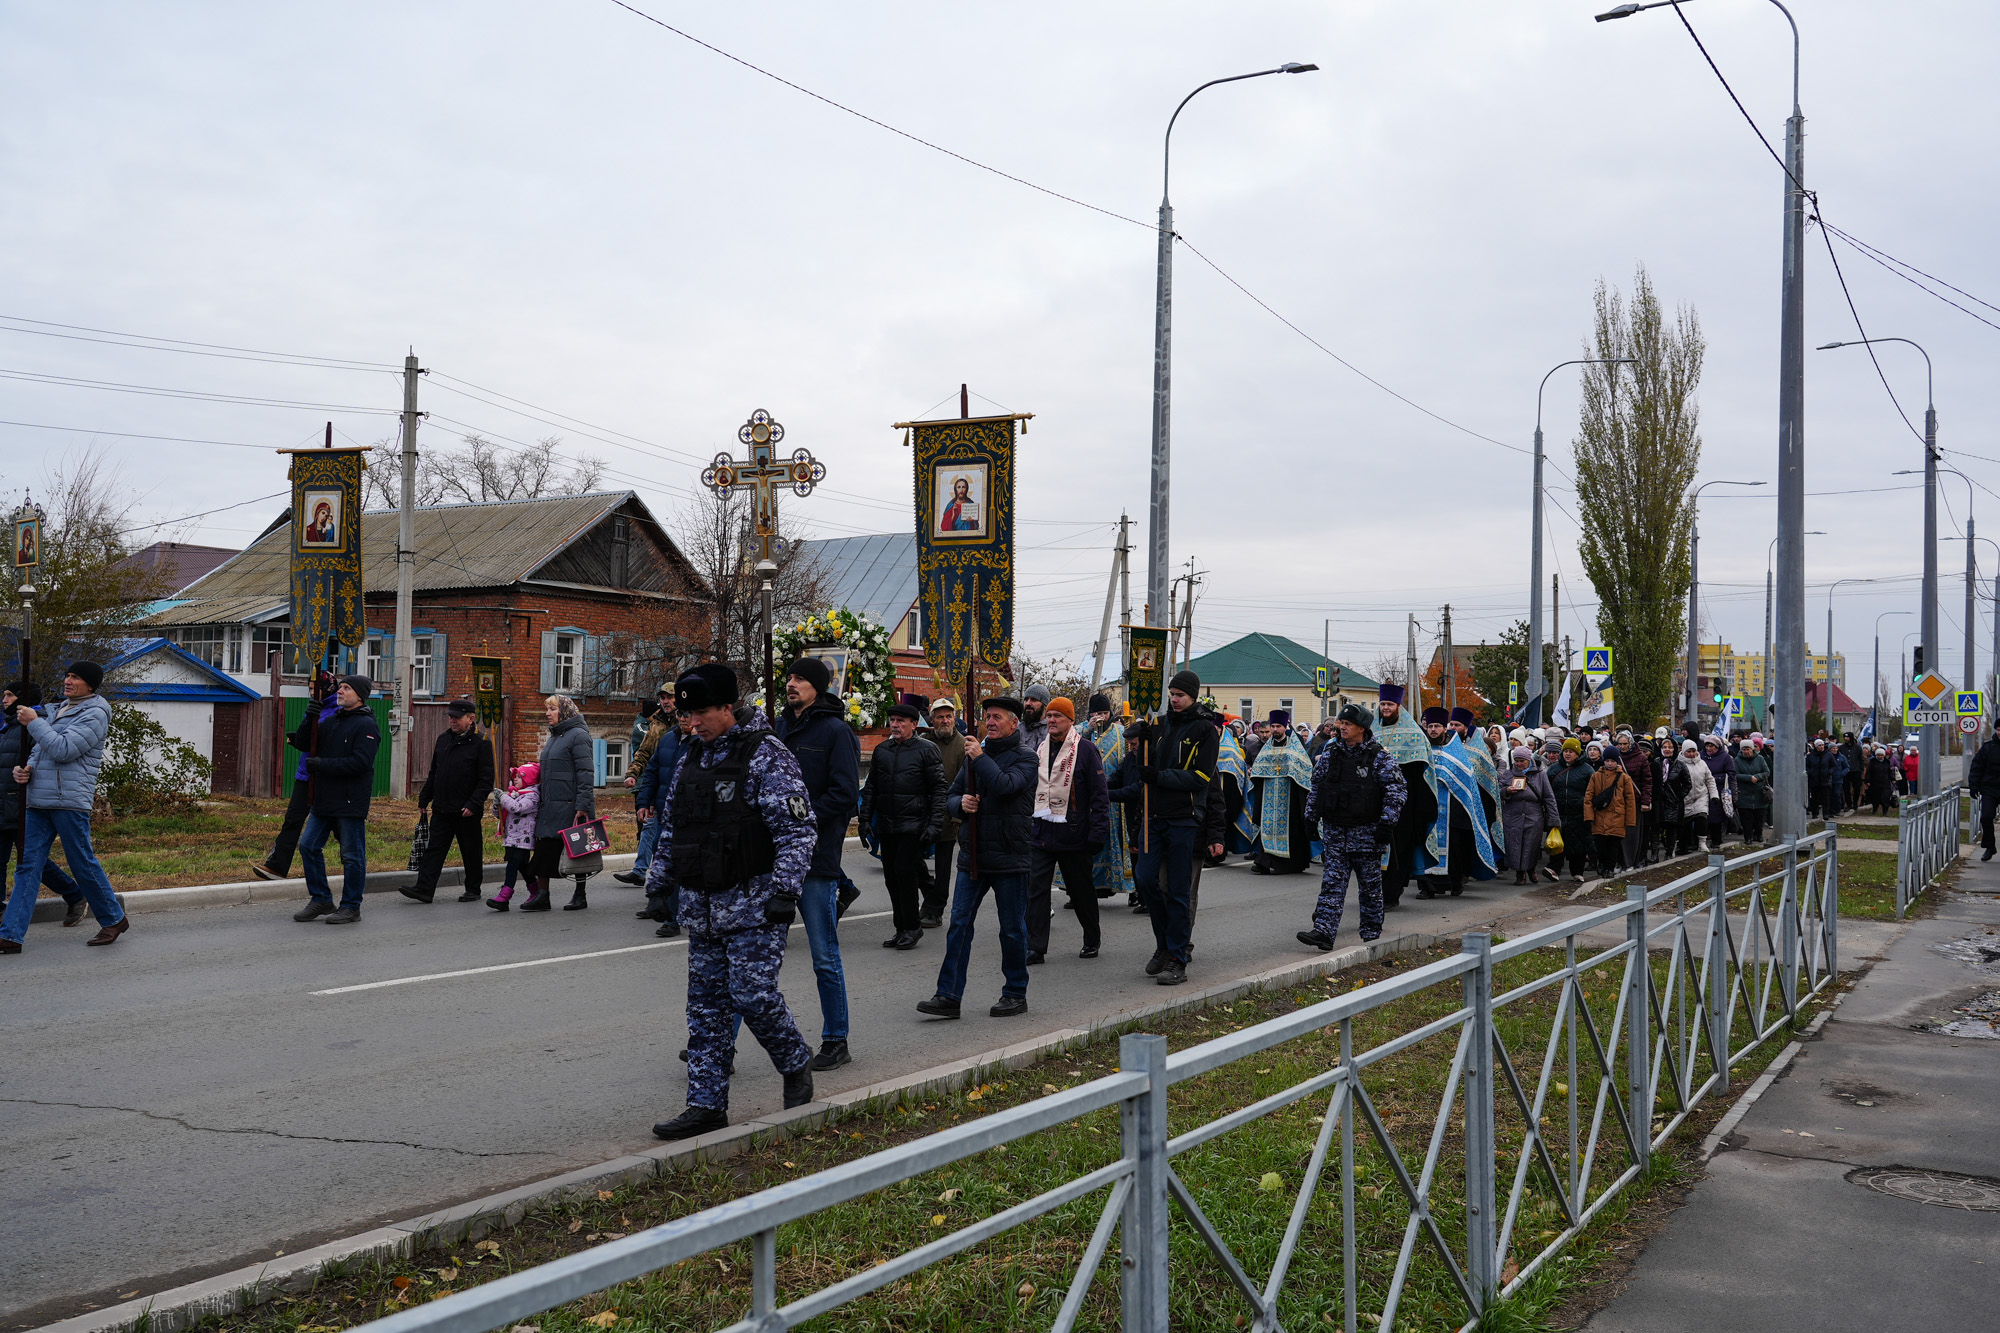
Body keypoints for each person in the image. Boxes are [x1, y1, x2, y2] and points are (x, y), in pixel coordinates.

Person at [646, 663, 818, 1141]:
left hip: (755, 904)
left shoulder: (766, 754)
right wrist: (658, 883)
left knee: (752, 995)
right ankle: (705, 1106)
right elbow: (673, 825)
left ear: (727, 707)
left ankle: (795, 1061)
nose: (692, 722)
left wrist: (785, 890)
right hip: (702, 905)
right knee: (706, 1010)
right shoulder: (691, 756)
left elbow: (798, 830)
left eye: (701, 713)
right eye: (687, 715)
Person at [917, 695, 1039, 1019]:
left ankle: (1015, 993)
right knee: (959, 924)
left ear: (1014, 723)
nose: (991, 722)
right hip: (973, 855)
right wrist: (961, 804)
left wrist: (980, 756)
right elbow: (952, 795)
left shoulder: (1026, 758)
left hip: (1010, 856)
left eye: (998, 717)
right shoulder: (976, 756)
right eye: (988, 717)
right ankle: (948, 995)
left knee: (1011, 929)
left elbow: (1004, 785)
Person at [2, 663, 128, 953]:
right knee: (27, 867)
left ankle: (114, 918)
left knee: (81, 862)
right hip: (38, 799)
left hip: (68, 800)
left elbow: (64, 749)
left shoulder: (95, 713)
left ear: (91, 685)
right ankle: (10, 935)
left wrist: (34, 722)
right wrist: (25, 769)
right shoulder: (58, 709)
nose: (68, 680)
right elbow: (41, 750)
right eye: (68, 675)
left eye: (76, 677)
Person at [774, 657, 860, 1071]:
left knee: (823, 955)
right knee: (752, 955)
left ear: (818, 687)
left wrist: (802, 820)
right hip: (773, 858)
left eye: (800, 679)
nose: (791, 684)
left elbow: (845, 794)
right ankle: (724, 1046)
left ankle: (836, 1040)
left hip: (816, 858)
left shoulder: (836, 732)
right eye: (789, 677)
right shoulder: (777, 727)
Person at [1120, 671, 1219, 986]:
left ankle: (1177, 957)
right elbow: (1144, 765)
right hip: (1154, 815)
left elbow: (1201, 777)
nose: (1174, 700)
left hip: (1183, 817)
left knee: (1178, 890)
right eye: (1171, 694)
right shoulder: (1159, 724)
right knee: (1146, 878)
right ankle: (1164, 943)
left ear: (1193, 696)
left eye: (1180, 695)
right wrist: (1142, 742)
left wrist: (1159, 776)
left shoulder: (1205, 730)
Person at [1297, 703, 1406, 951]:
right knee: (1332, 884)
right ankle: (1323, 932)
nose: (1342, 728)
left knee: (1370, 889)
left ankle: (1372, 937)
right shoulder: (1331, 753)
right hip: (1336, 832)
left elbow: (1396, 790)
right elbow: (1317, 786)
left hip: (1367, 834)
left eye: (1347, 724)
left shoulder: (1379, 756)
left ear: (1361, 728)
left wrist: (1387, 823)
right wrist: (1310, 818)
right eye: (1341, 724)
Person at [283, 674, 381, 925]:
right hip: (323, 799)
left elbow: (361, 763)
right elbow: (304, 743)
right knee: (308, 845)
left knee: (352, 855)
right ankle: (321, 899)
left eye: (347, 688)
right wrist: (310, 717)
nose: (340, 691)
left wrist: (323, 765)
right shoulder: (333, 720)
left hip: (349, 801)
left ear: (360, 696)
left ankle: (351, 906)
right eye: (340, 687)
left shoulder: (366, 725)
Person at [1026, 696, 1110, 962]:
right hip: (1042, 832)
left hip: (1074, 833)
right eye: (1049, 715)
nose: (1051, 720)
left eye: (1058, 716)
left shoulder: (1085, 750)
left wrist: (1097, 833)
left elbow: (1100, 796)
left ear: (1071, 720)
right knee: (1036, 891)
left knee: (1081, 890)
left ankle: (1091, 938)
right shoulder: (1040, 749)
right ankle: (1035, 947)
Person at [1, 681, 88, 928]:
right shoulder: (8, 727)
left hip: (22, 805)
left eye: (9, 695)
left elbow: (39, 764)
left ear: (23, 698)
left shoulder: (34, 727)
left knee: (31, 861)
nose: (4, 700)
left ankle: (75, 894)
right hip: (3, 803)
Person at [865, 698, 945, 948]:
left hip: (914, 825)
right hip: (888, 825)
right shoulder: (882, 750)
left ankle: (912, 927)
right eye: (893, 720)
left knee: (905, 874)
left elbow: (939, 789)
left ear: (913, 724)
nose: (895, 725)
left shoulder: (927, 750)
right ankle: (900, 928)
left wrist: (934, 825)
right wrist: (865, 818)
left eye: (901, 721)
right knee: (891, 878)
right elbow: (871, 787)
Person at [401, 698, 495, 905]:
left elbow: (486, 780)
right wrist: (425, 798)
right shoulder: (444, 740)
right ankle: (424, 889)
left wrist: (474, 804)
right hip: (442, 807)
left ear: (471, 718)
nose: (452, 720)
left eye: (457, 717)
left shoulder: (481, 743)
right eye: (451, 717)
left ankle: (473, 889)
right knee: (434, 849)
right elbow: (435, 772)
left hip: (466, 810)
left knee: (470, 850)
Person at [250, 669, 339, 881]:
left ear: (327, 688)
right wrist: (307, 721)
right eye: (310, 688)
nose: (312, 693)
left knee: (339, 824)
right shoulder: (314, 708)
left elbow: (328, 742)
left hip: (327, 777)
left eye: (316, 689)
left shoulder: (339, 711)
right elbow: (305, 740)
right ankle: (276, 867)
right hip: (306, 775)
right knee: (292, 820)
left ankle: (354, 864)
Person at [1416, 706, 1500, 897]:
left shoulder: (1455, 750)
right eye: (1430, 726)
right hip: (1427, 808)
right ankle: (1427, 887)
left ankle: (1454, 882)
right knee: (1425, 845)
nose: (1433, 730)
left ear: (1444, 728)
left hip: (1452, 810)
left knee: (1454, 848)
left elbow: (1467, 781)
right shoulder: (1421, 749)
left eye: (1437, 726)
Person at [524, 693, 596, 912]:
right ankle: (542, 896)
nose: (547, 713)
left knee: (579, 850)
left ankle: (580, 895)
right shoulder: (555, 737)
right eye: (547, 709)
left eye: (552, 709)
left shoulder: (579, 735)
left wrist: (582, 804)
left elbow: (585, 773)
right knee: (543, 850)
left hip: (572, 805)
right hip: (551, 805)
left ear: (564, 712)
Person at [1372, 685, 1435, 910]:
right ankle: (1375, 893)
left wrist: (1419, 808)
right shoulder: (1372, 732)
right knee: (1374, 849)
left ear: (1399, 706)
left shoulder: (1414, 734)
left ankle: (1392, 894)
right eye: (1383, 704)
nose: (1386, 708)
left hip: (1404, 805)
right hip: (1375, 803)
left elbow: (1421, 774)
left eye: (1390, 704)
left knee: (1399, 849)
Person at [633, 710, 693, 926]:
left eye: (688, 713)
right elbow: (652, 772)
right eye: (680, 714)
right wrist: (644, 802)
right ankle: (663, 907)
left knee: (681, 864)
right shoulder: (668, 739)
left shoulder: (703, 742)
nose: (683, 718)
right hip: (664, 813)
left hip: (690, 816)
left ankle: (673, 917)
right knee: (663, 859)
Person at [617, 691, 676, 888]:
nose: (666, 702)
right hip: (658, 787)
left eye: (670, 698)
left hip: (680, 792)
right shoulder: (657, 725)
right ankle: (643, 872)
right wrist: (632, 774)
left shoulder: (688, 724)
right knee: (650, 828)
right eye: (663, 698)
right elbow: (645, 755)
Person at [1248, 709, 1315, 875]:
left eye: (1278, 726)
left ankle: (1289, 864)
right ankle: (1264, 862)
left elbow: (1305, 769)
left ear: (1285, 727)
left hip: (1290, 797)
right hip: (1268, 796)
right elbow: (1257, 769)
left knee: (1292, 828)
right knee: (1267, 826)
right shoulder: (1266, 748)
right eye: (1273, 726)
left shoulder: (1295, 746)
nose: (1275, 729)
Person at [920, 698, 967, 929]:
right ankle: (931, 894)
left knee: (942, 867)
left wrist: (957, 817)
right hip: (921, 814)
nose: (945, 720)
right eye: (940, 717)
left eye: (949, 716)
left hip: (948, 816)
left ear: (954, 719)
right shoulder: (924, 742)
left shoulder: (962, 746)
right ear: (932, 720)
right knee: (912, 860)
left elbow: (965, 784)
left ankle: (935, 910)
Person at [1083, 694, 1135, 896]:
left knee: (1115, 841)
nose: (1101, 717)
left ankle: (1125, 887)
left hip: (1114, 799)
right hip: (1087, 799)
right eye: (1096, 713)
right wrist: (1088, 729)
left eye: (1104, 713)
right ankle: (1084, 889)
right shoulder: (1083, 732)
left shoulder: (1121, 733)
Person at [1499, 745, 1561, 885]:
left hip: (1533, 816)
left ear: (1529, 760)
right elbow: (1497, 790)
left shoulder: (1540, 774)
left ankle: (1531, 869)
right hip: (1512, 816)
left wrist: (1554, 819)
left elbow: (1549, 797)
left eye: (1522, 761)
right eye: (1517, 761)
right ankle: (1520, 874)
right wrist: (1506, 791)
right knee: (1514, 845)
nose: (1519, 764)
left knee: (1531, 845)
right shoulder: (1508, 774)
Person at [487, 762, 540, 910]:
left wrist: (503, 797)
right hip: (512, 838)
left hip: (523, 839)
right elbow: (501, 814)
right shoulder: (516, 794)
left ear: (529, 779)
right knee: (523, 867)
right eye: (514, 776)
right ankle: (536, 892)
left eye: (519, 776)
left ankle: (504, 897)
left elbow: (516, 808)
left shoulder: (532, 796)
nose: (515, 779)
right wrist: (497, 804)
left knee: (512, 866)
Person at [1547, 739, 1598, 882]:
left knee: (1578, 844)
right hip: (1559, 812)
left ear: (1578, 753)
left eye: (1571, 751)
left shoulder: (1587, 770)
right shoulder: (1553, 769)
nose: (1567, 754)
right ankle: (1554, 869)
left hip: (1579, 814)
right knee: (1557, 842)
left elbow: (1593, 790)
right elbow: (1547, 790)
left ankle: (1577, 872)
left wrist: (1585, 803)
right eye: (1565, 751)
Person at [1585, 738, 1638, 875]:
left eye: (1612, 761)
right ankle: (1602, 865)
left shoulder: (1624, 778)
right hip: (1599, 816)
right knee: (1600, 844)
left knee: (1613, 846)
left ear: (1617, 761)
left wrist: (1630, 821)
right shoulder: (1596, 776)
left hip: (1617, 817)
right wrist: (1589, 817)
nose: (1610, 763)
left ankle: (1609, 868)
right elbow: (1589, 797)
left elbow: (1630, 801)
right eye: (1607, 760)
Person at [1613, 730, 1654, 870]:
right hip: (1618, 800)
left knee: (1632, 834)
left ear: (1630, 743)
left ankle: (1630, 862)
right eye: (1620, 744)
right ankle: (1619, 862)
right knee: (1617, 832)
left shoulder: (1641, 758)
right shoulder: (1616, 757)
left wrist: (1645, 801)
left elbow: (1647, 781)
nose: (1622, 746)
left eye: (1625, 744)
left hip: (1635, 801)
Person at [1673, 740, 1718, 855]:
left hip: (1700, 795)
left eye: (1694, 751)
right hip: (1685, 798)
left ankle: (1702, 843)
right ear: (1683, 752)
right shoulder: (1678, 764)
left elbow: (1709, 780)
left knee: (1702, 817)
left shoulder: (1702, 763)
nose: (1692, 754)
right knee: (1684, 824)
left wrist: (1714, 795)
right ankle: (1682, 846)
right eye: (1689, 751)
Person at [1733, 737, 1772, 845]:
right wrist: (1749, 778)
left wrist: (1758, 777)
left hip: (1759, 793)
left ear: (1752, 749)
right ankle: (1748, 837)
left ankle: (1759, 834)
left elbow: (1767, 772)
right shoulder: (1737, 760)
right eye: (1744, 749)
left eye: (1748, 749)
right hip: (1744, 794)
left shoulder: (1760, 759)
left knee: (1759, 817)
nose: (1746, 751)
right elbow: (1735, 774)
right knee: (1746, 818)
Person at [1804, 737, 1837, 823]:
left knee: (1825, 798)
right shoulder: (1811, 755)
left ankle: (1825, 813)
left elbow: (1834, 765)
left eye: (1822, 745)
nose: (1821, 747)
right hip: (1814, 780)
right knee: (1814, 798)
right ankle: (1815, 813)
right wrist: (1810, 772)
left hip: (1825, 779)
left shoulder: (1828, 755)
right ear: (1816, 746)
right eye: (1819, 745)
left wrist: (1829, 772)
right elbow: (1807, 766)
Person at [1019, 683, 1052, 755]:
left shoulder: (1051, 731)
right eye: (1026, 699)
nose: (1028, 703)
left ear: (1045, 705)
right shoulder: (1016, 730)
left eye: (1033, 700)